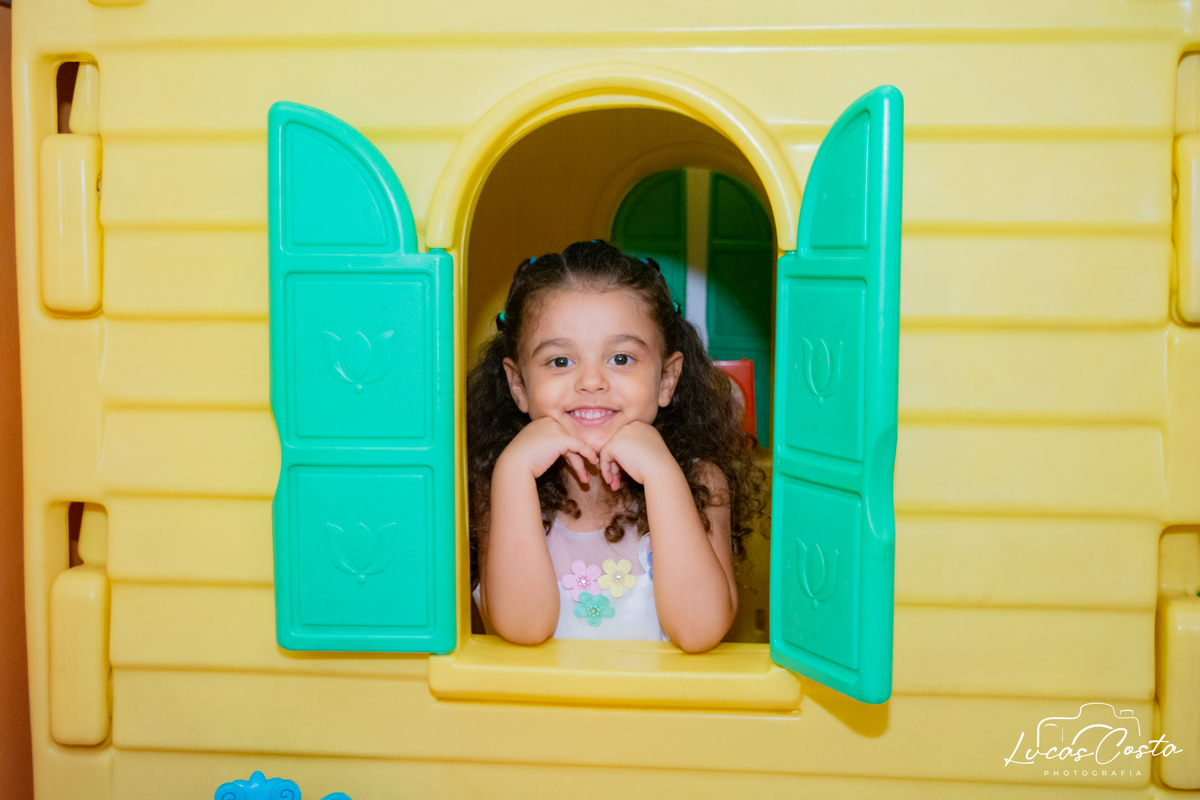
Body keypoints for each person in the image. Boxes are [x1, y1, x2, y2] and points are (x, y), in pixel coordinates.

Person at [467, 240, 765, 653]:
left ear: (666, 379)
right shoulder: (501, 481)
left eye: (621, 359)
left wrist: (662, 474)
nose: (592, 382)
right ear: (518, 385)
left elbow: (699, 631)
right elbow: (523, 627)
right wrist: (514, 472)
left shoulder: (700, 480)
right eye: (560, 361)